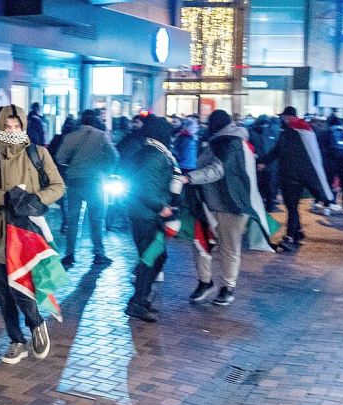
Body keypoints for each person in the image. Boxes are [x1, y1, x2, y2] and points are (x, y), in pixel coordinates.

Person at [0, 104, 65, 363]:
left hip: (27, 232)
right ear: (0, 127)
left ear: (23, 126)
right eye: (7, 127)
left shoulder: (38, 154)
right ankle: (16, 340)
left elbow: (58, 186)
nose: (11, 131)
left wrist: (36, 199)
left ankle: (36, 324)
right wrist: (5, 197)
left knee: (24, 288)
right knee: (3, 294)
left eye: (16, 126)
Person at [179, 110, 253, 306]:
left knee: (228, 247)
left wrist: (190, 177)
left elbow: (219, 170)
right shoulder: (217, 141)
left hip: (231, 204)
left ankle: (228, 287)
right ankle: (205, 281)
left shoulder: (232, 143)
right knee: (200, 243)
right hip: (207, 202)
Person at [121, 115, 182, 323]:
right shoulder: (154, 155)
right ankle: (136, 302)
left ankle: (141, 296)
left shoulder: (153, 152)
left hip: (144, 212)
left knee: (155, 256)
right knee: (151, 257)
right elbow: (144, 187)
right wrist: (161, 207)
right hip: (146, 213)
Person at [257, 106, 333, 246]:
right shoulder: (307, 130)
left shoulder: (289, 132)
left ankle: (290, 237)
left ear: (288, 117)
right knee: (293, 207)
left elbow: (277, 151)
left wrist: (261, 161)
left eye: (284, 117)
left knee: (291, 207)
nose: (282, 119)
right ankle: (297, 233)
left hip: (290, 177)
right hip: (302, 177)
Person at [55, 109, 119, 268]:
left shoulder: (70, 136)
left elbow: (60, 158)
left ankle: (69, 255)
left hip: (75, 181)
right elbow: (115, 156)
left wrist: (72, 164)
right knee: (97, 220)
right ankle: (99, 254)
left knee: (73, 221)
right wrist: (106, 170)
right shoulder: (101, 135)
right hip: (95, 183)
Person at [318, 114, 343, 209]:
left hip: (331, 161)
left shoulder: (327, 132)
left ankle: (327, 205)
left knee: (329, 183)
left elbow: (322, 149)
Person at [249, 115, 279, 212]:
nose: (264, 126)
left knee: (270, 187)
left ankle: (270, 206)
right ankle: (262, 207)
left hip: (269, 165)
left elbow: (275, 149)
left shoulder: (274, 131)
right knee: (259, 187)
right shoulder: (252, 132)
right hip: (258, 165)